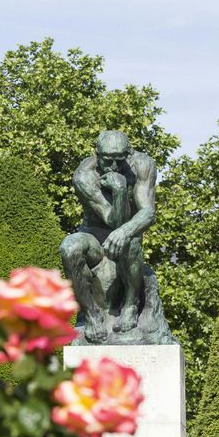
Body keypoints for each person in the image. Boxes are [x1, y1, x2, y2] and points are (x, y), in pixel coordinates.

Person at [60, 130, 156, 342]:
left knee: (131, 238)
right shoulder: (84, 175)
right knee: (69, 247)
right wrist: (120, 191)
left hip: (126, 236)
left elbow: (148, 212)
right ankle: (91, 315)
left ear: (128, 155)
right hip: (94, 237)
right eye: (107, 160)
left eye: (118, 160)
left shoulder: (142, 165)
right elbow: (111, 220)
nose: (112, 167)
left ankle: (130, 305)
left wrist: (125, 231)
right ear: (97, 154)